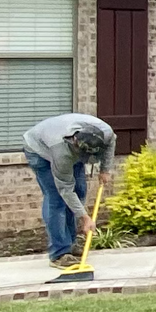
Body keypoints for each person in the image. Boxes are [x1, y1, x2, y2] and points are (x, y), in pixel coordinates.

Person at [24, 111, 118, 267]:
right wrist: (85, 217)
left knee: (80, 190)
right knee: (56, 199)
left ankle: (70, 245)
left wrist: (105, 169)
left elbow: (111, 142)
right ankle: (59, 253)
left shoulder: (105, 133)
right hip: (38, 149)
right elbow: (65, 189)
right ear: (75, 145)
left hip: (65, 143)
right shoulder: (61, 152)